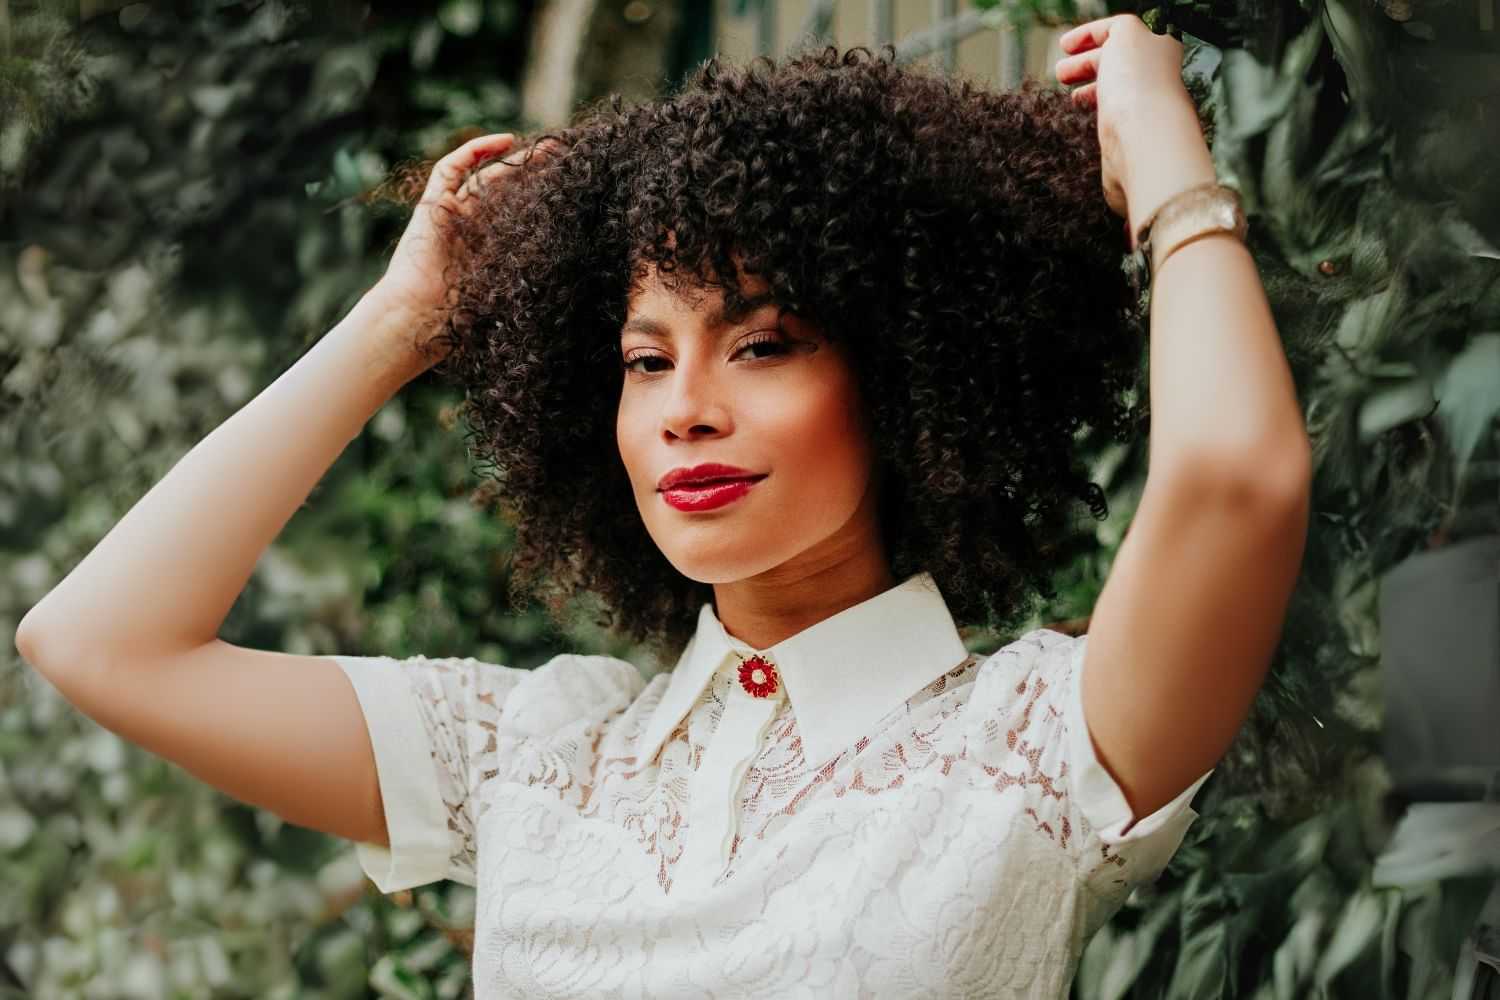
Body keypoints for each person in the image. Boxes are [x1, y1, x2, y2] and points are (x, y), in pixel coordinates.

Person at [14, 18, 1312, 999]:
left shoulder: (1037, 745)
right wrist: (401, 324)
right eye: (645, 360)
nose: (685, 408)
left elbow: (1237, 481)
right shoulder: (532, 755)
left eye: (762, 345)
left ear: (910, 376)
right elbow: (99, 642)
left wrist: (1166, 165)